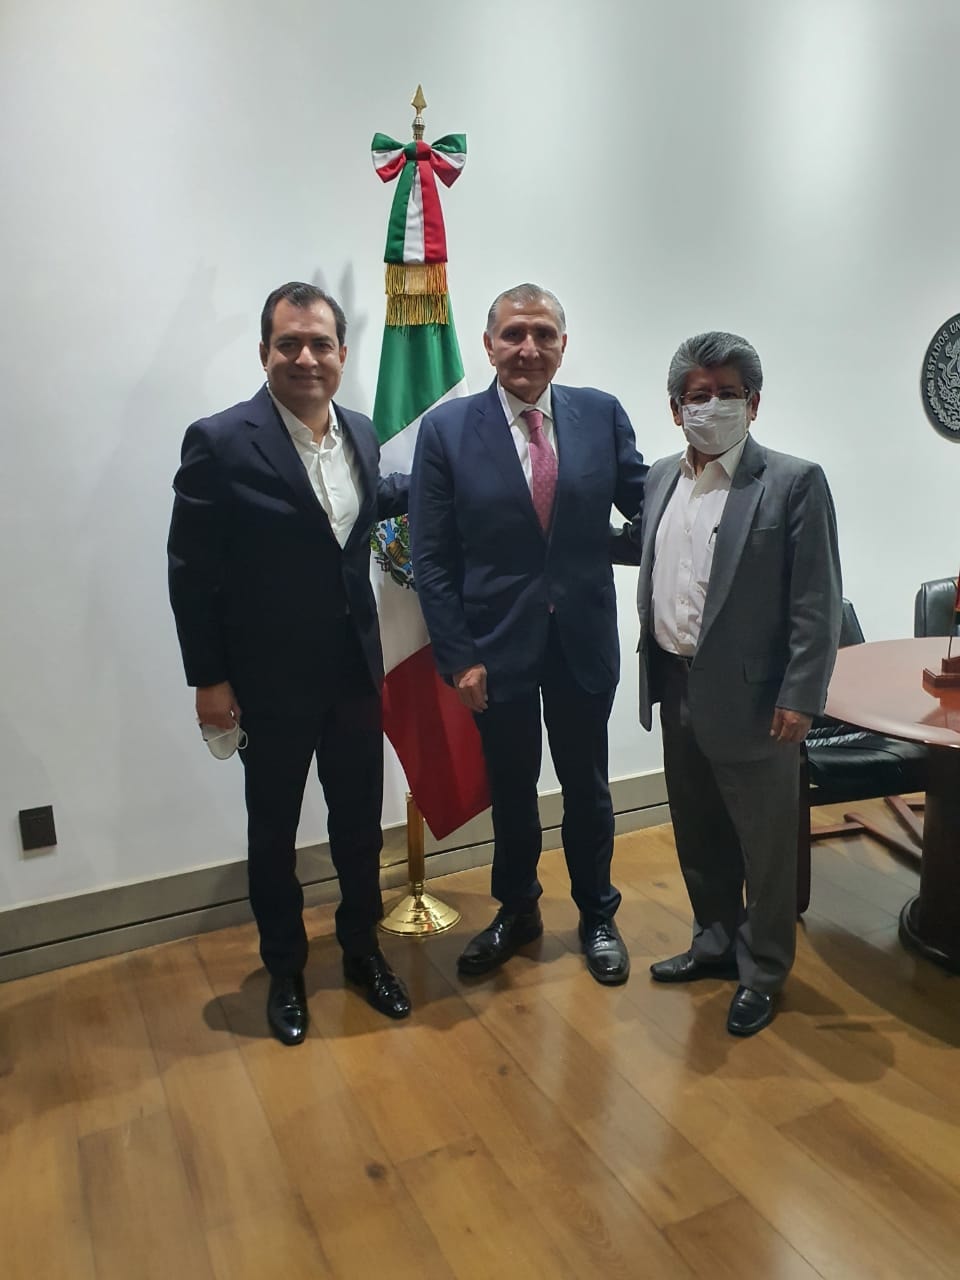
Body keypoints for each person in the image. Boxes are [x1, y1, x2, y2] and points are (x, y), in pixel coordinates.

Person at [168, 282, 412, 1046]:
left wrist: (448, 476)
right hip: (266, 683)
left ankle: (363, 951)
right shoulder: (219, 441)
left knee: (360, 830)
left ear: (341, 353)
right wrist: (208, 680)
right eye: (290, 344)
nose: (306, 358)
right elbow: (190, 572)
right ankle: (285, 970)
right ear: (265, 352)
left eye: (320, 344)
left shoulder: (361, 432)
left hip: (354, 675)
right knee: (273, 835)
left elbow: (360, 510)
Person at [410, 283, 647, 984]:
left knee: (587, 787)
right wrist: (458, 657)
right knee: (512, 790)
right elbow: (432, 557)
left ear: (562, 345)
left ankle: (597, 914)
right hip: (493, 651)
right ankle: (517, 911)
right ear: (489, 345)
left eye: (543, 333)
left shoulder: (600, 414)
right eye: (513, 333)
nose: (528, 347)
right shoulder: (447, 430)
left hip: (582, 641)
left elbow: (647, 509)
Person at [637, 331, 841, 1036]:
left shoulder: (793, 482)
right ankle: (715, 943)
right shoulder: (660, 479)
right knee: (699, 833)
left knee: (766, 846)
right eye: (698, 396)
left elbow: (815, 601)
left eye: (728, 393)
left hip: (759, 702)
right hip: (675, 686)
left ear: (754, 403)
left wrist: (801, 696)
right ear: (675, 409)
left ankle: (764, 970)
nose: (713, 406)